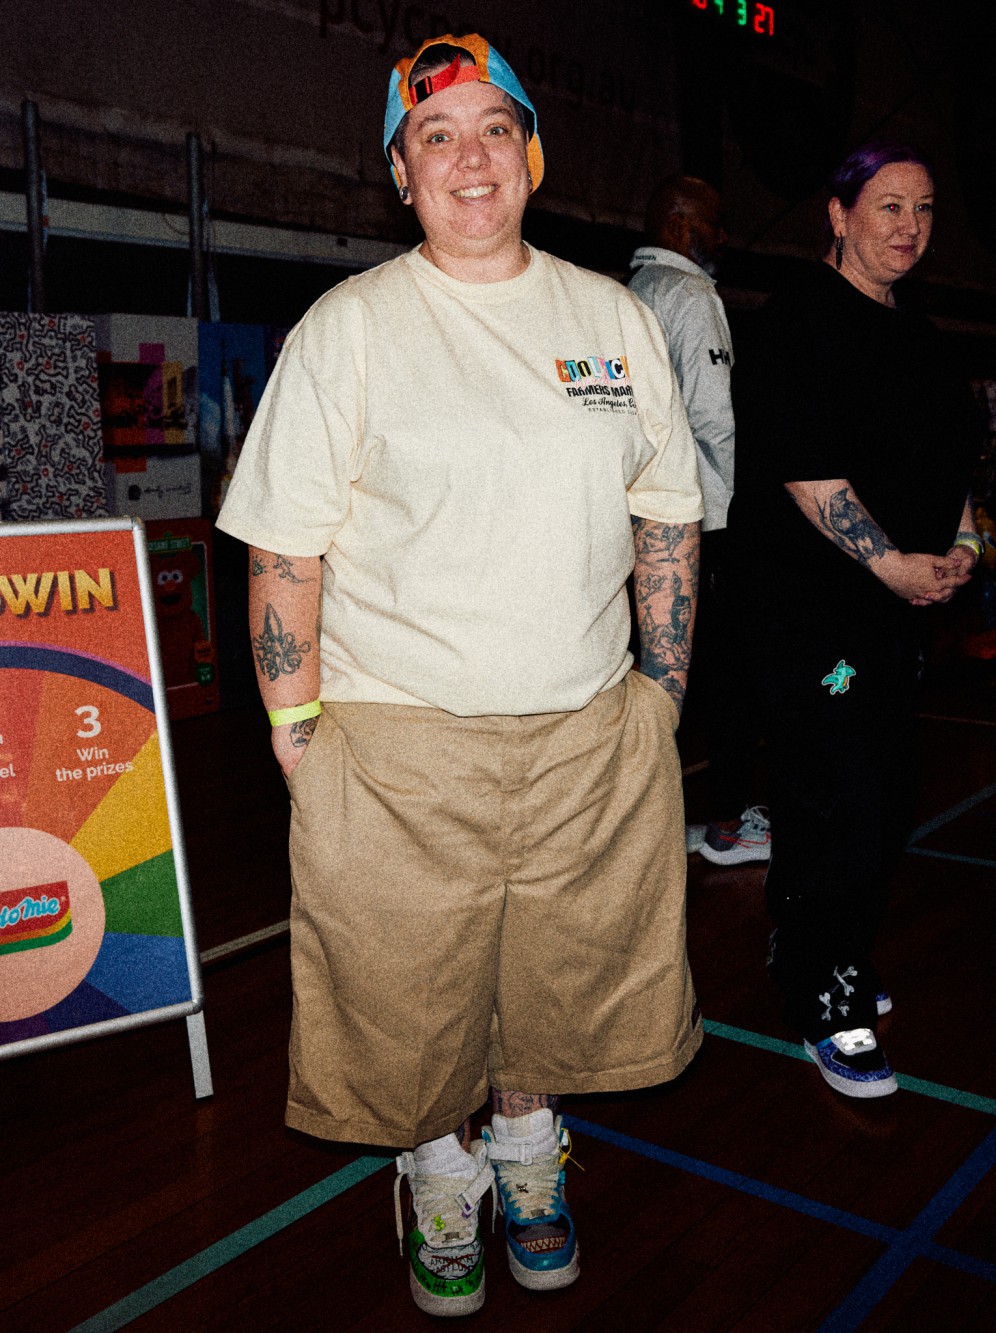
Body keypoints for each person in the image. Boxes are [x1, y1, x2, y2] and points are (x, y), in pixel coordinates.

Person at [217, 33, 705, 1317]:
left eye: (495, 128)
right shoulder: (349, 329)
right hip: (396, 742)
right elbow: (283, 547)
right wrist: (294, 731)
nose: (469, 157)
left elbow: (666, 518)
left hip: (583, 735)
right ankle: (439, 1175)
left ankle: (529, 1157)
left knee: (550, 983)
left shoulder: (613, 320)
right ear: (400, 173)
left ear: (533, 154)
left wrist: (659, 695)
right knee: (404, 997)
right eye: (435, 135)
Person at [728, 141, 981, 1098]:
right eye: (888, 205)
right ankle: (822, 993)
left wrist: (964, 543)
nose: (909, 226)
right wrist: (889, 564)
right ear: (838, 215)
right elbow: (807, 471)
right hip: (814, 617)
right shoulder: (798, 321)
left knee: (885, 792)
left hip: (896, 615)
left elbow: (950, 467)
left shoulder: (921, 335)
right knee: (838, 793)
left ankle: (816, 943)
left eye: (924, 208)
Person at [629, 176, 770, 867]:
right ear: (682, 224)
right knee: (729, 675)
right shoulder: (690, 295)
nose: (722, 237)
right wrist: (761, 508)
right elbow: (719, 419)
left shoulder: (628, 294)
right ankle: (732, 824)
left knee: (659, 677)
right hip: (709, 522)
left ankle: (654, 825)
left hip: (642, 526)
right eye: (713, 223)